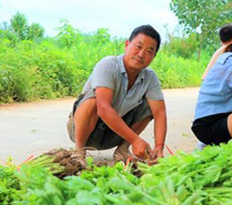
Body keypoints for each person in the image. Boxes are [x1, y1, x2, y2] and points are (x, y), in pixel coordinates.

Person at [67, 25, 167, 164]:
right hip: (84, 131)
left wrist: (159, 146)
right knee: (94, 99)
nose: (141, 54)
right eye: (138, 46)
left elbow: (160, 113)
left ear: (154, 57)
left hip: (114, 135)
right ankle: (78, 152)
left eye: (149, 51)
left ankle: (122, 150)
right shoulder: (108, 65)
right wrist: (136, 140)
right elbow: (103, 108)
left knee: (150, 106)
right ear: (127, 45)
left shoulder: (150, 77)